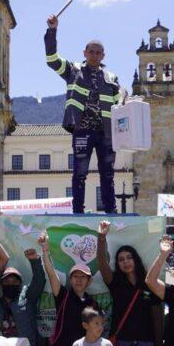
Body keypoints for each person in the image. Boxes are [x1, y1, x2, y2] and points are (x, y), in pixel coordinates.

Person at [45, 14, 121, 214]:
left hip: (106, 133)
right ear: (85, 53)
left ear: (103, 55)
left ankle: (111, 211)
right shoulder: (73, 70)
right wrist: (52, 30)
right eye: (91, 51)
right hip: (82, 130)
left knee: (108, 174)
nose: (94, 55)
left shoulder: (112, 78)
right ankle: (78, 210)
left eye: (98, 52)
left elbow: (118, 106)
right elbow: (52, 59)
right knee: (79, 173)